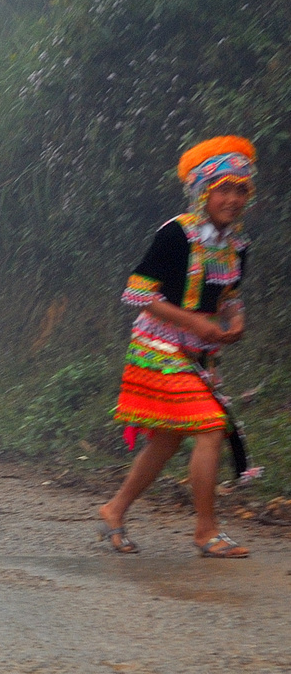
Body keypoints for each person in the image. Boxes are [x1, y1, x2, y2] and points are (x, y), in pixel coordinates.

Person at [97, 136, 256, 559]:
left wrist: (235, 323)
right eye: (224, 188)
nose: (234, 198)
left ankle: (114, 509)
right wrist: (194, 322)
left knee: (165, 442)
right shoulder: (177, 234)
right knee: (210, 427)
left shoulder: (237, 246)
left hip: (198, 355)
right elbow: (138, 293)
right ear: (203, 191)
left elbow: (231, 297)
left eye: (241, 189)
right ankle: (206, 531)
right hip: (157, 347)